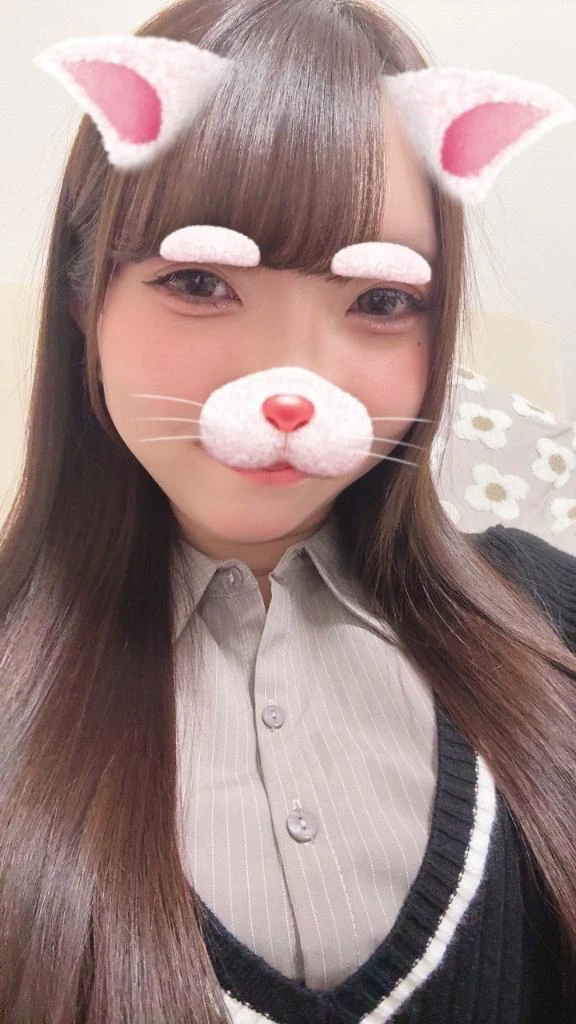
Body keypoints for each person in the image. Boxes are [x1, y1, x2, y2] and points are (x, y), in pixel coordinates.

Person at [1, 0, 575, 1021]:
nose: (293, 380)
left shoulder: (554, 618)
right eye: (198, 281)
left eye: (381, 302)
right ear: (86, 294)